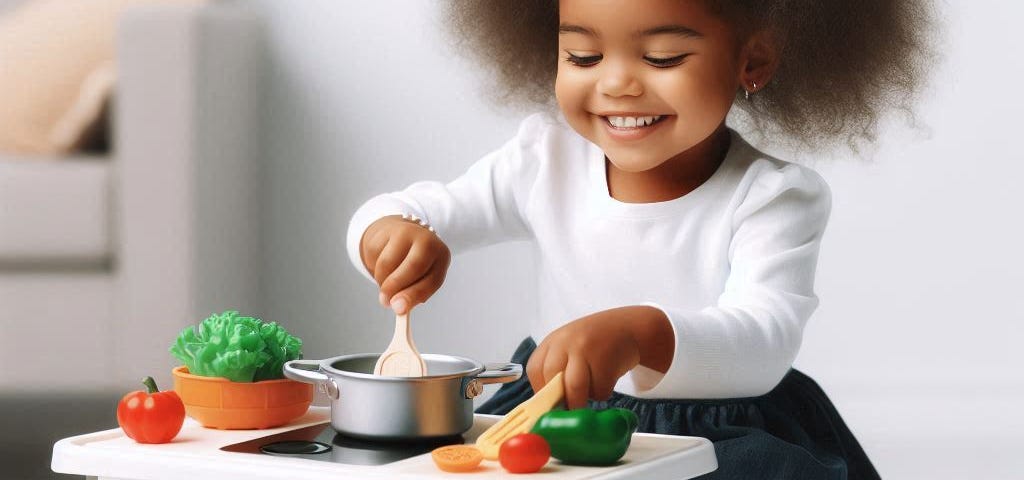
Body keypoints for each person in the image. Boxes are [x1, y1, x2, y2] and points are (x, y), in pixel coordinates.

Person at [346, 1, 934, 478]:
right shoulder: (543, 158)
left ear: (751, 60)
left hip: (722, 432)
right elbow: (422, 208)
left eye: (662, 57)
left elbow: (765, 337)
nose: (617, 82)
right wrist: (390, 232)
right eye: (583, 54)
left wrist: (641, 334)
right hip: (556, 407)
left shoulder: (773, 196)